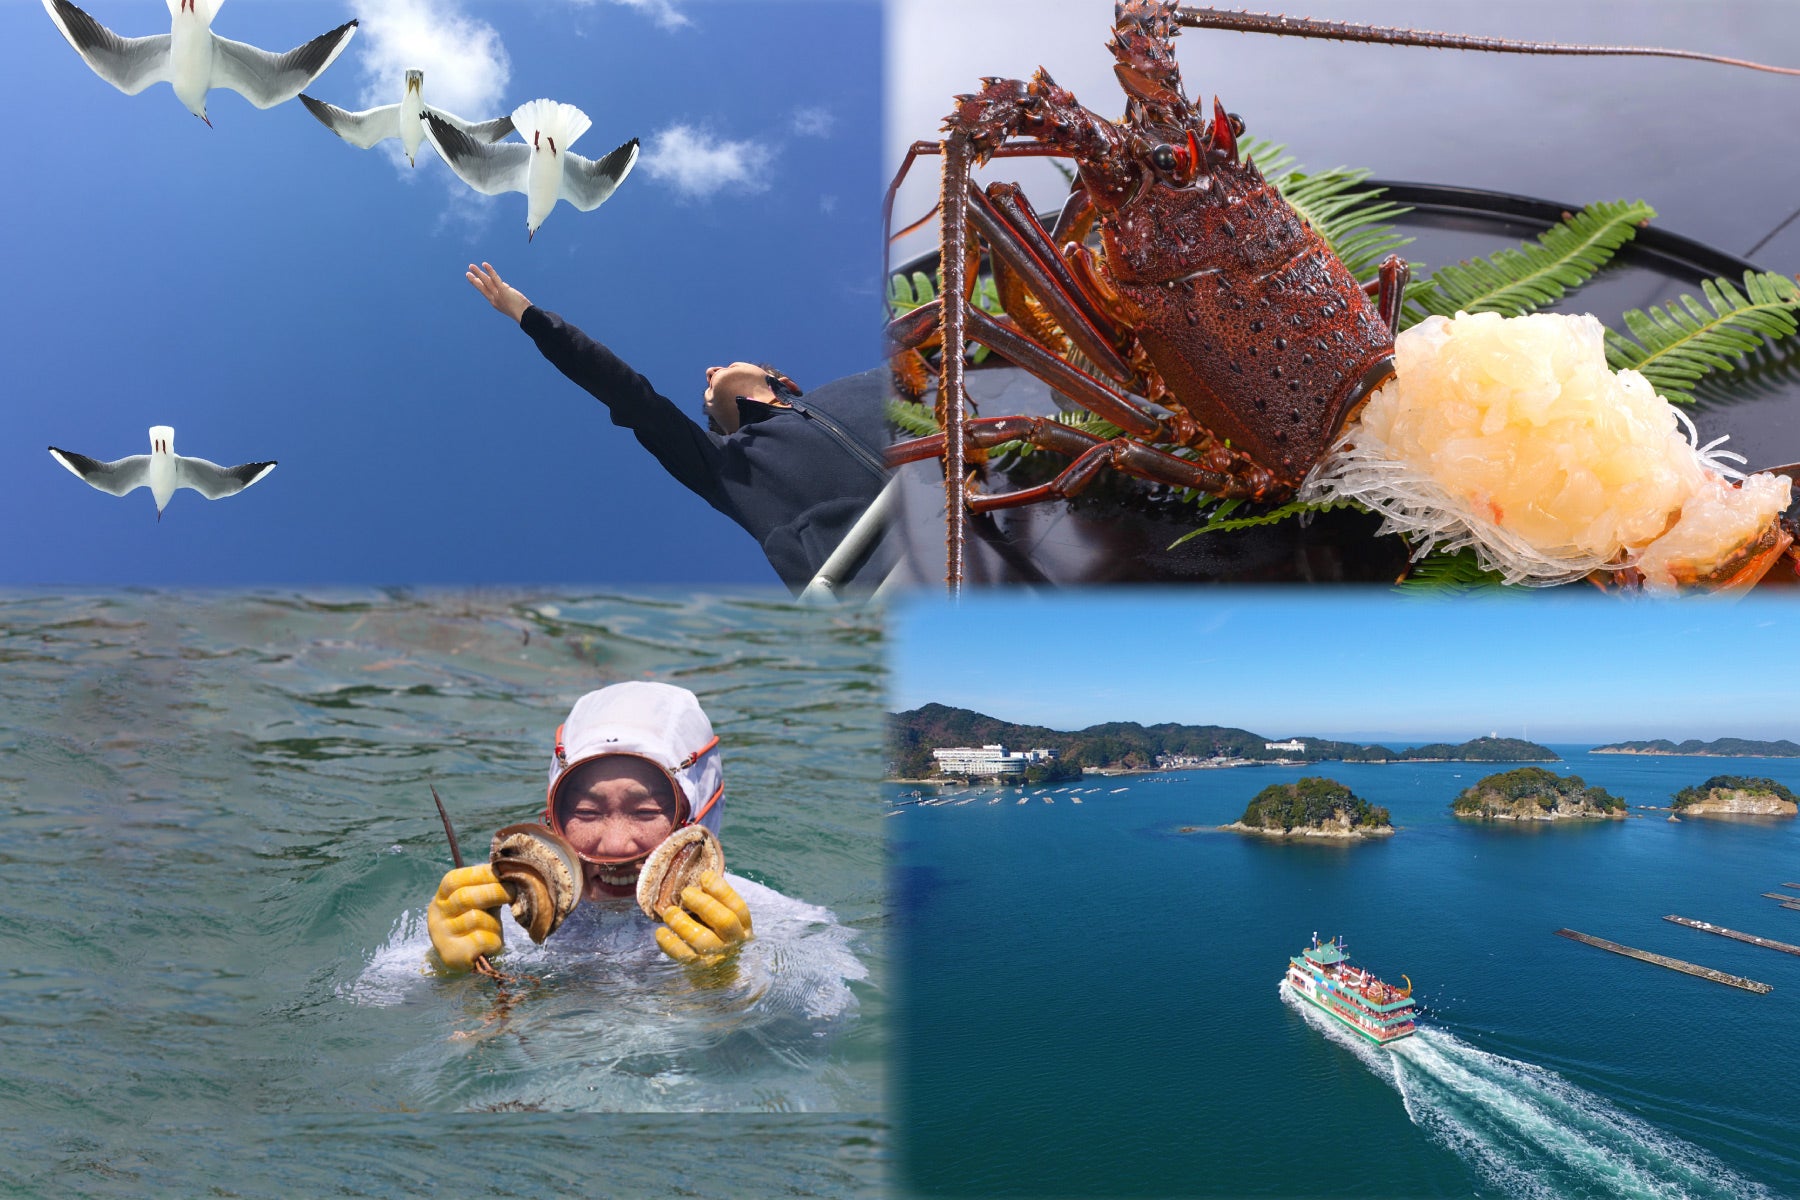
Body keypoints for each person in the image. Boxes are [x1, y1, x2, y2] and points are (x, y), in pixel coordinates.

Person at [465, 262, 892, 593]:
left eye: (724, 366)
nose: (709, 370)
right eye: (708, 392)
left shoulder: (865, 386)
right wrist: (529, 316)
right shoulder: (723, 465)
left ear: (784, 381)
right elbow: (630, 394)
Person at [425, 680, 753, 970]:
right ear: (553, 819)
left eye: (644, 812)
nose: (614, 845)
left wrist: (734, 981)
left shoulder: (760, 926)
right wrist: (443, 968)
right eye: (586, 812)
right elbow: (387, 1001)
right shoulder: (496, 920)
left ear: (701, 815)